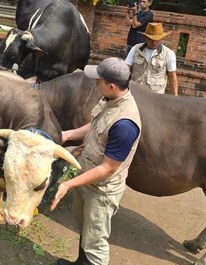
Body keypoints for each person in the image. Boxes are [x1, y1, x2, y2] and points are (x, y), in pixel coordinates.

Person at [50, 57, 141, 265]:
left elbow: (108, 168)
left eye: (98, 80)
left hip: (101, 191)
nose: (94, 83)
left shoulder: (125, 124)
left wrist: (68, 184)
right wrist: (66, 135)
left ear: (111, 86)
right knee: (85, 230)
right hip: (87, 179)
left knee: (96, 245)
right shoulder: (109, 99)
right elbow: (93, 126)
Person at [125, 22, 178, 95]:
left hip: (155, 96)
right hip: (135, 93)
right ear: (146, 38)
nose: (154, 42)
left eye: (157, 40)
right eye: (151, 39)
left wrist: (175, 96)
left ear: (161, 38)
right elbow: (126, 69)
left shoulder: (168, 54)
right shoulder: (136, 49)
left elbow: (172, 76)